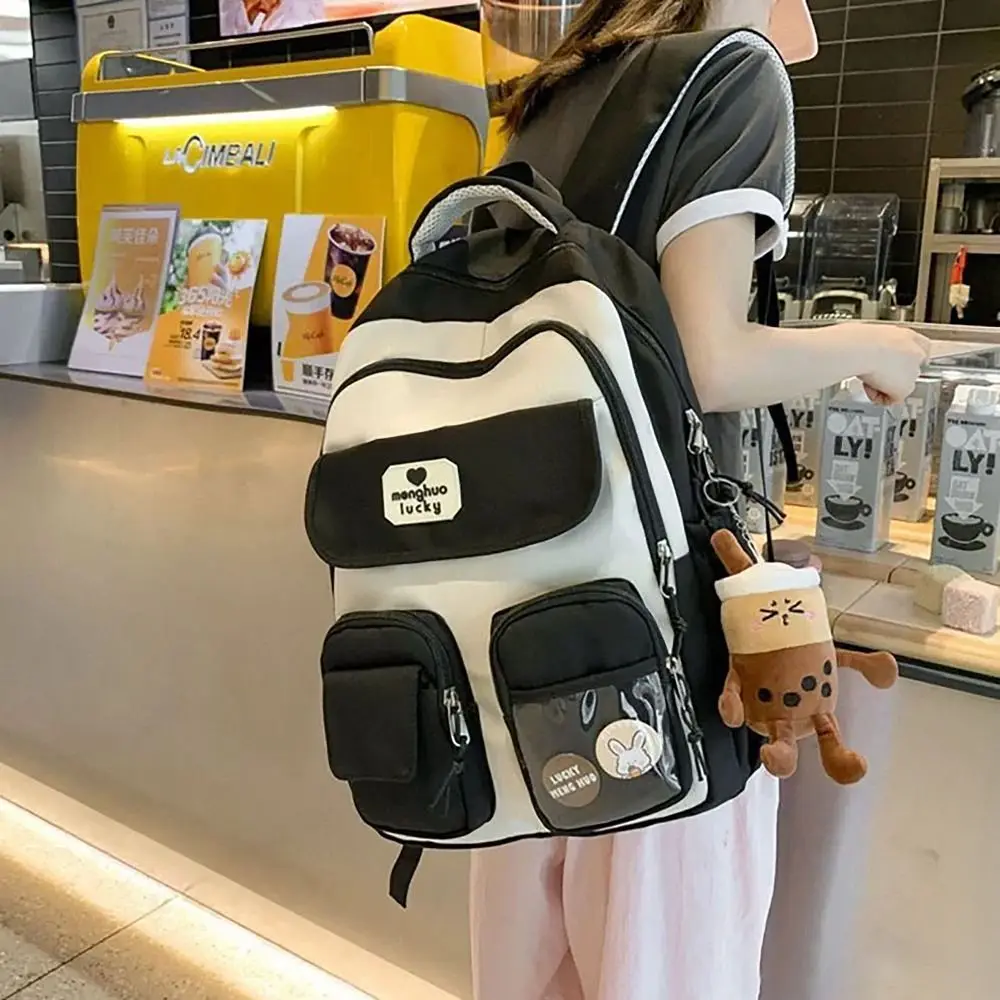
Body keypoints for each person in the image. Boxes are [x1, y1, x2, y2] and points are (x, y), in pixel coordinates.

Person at [470, 1, 931, 999]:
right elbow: (709, 358)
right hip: (663, 623)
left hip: (518, 613)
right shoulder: (731, 70)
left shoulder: (553, 92)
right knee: (667, 959)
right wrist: (875, 346)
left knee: (529, 963)